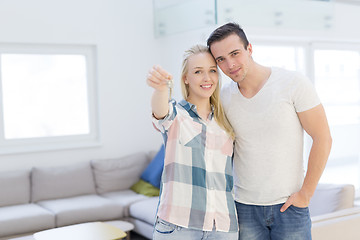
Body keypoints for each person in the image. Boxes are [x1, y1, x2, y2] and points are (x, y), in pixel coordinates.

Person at [206, 23, 332, 239]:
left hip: (290, 205)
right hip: (243, 208)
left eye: (235, 53)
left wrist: (306, 194)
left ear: (250, 49)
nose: (230, 64)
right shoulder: (223, 98)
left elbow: (323, 138)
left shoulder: (292, 83)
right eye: (221, 60)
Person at [146, 44, 238, 240]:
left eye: (212, 71)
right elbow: (160, 111)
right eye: (198, 72)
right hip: (178, 227)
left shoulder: (225, 122)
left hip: (223, 226)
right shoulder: (176, 115)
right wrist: (162, 89)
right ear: (186, 78)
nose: (207, 78)